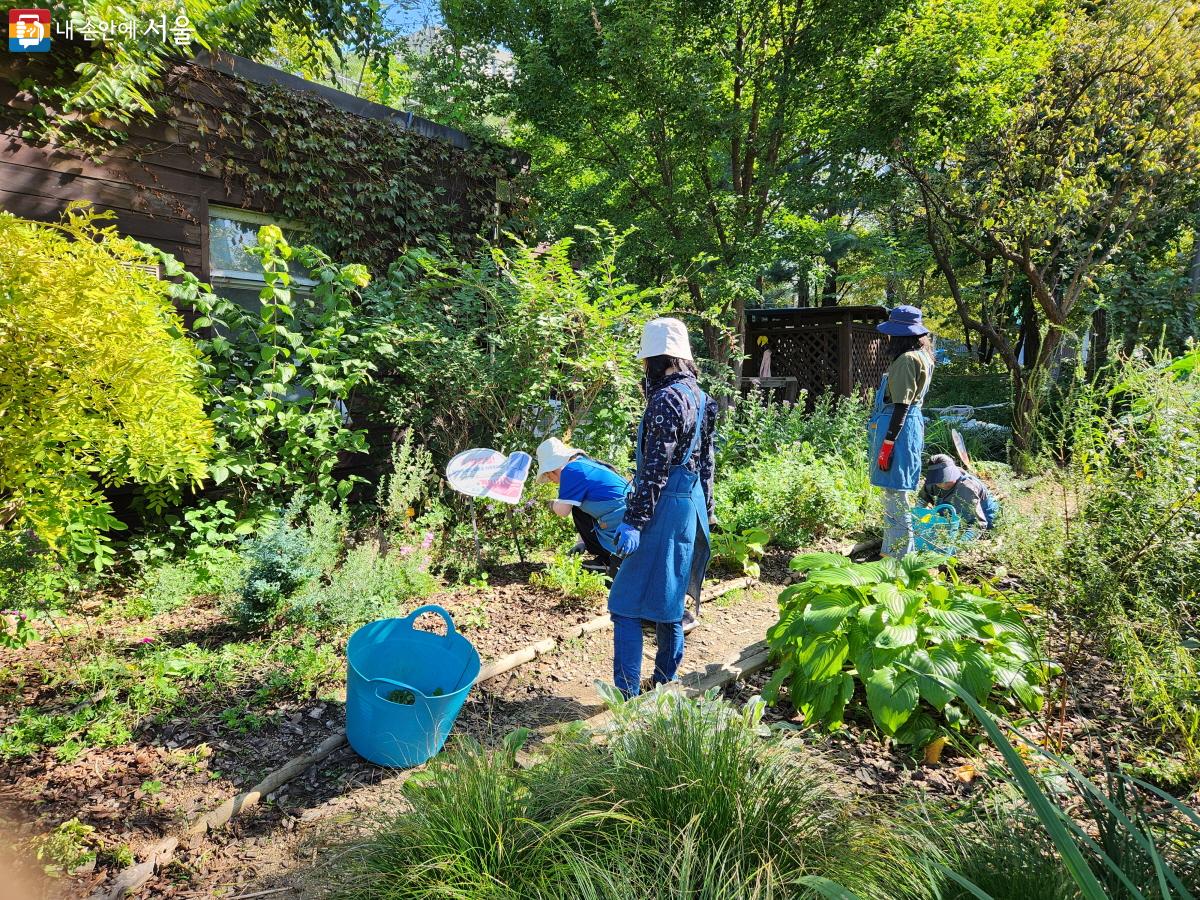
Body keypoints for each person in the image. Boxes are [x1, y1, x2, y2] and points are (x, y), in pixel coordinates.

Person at [606, 317, 717, 698]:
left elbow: (655, 467)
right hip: (690, 506)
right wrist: (710, 510)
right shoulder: (700, 397)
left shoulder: (666, 400)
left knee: (625, 603)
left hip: (662, 509)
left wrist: (635, 520)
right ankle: (665, 681)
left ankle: (624, 692)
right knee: (670, 598)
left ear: (656, 359)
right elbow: (707, 464)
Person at [868, 305, 935, 558]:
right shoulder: (923, 356)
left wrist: (887, 446)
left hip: (900, 428)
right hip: (907, 426)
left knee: (896, 494)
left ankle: (898, 557)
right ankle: (896, 551)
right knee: (897, 492)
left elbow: (901, 407)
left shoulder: (907, 360)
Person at [534, 437, 630, 574]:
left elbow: (563, 511)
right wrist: (581, 542)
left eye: (549, 476)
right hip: (628, 516)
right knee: (577, 506)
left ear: (554, 468)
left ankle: (608, 560)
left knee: (574, 507)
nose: (551, 480)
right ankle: (606, 558)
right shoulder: (584, 464)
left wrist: (551, 504)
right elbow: (585, 507)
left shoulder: (570, 470)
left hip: (619, 520)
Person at [919, 454, 1000, 531]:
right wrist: (918, 520)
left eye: (946, 479)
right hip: (950, 515)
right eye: (939, 481)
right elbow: (921, 502)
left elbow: (978, 525)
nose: (943, 484)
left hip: (983, 516)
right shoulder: (932, 483)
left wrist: (962, 542)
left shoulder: (966, 487)